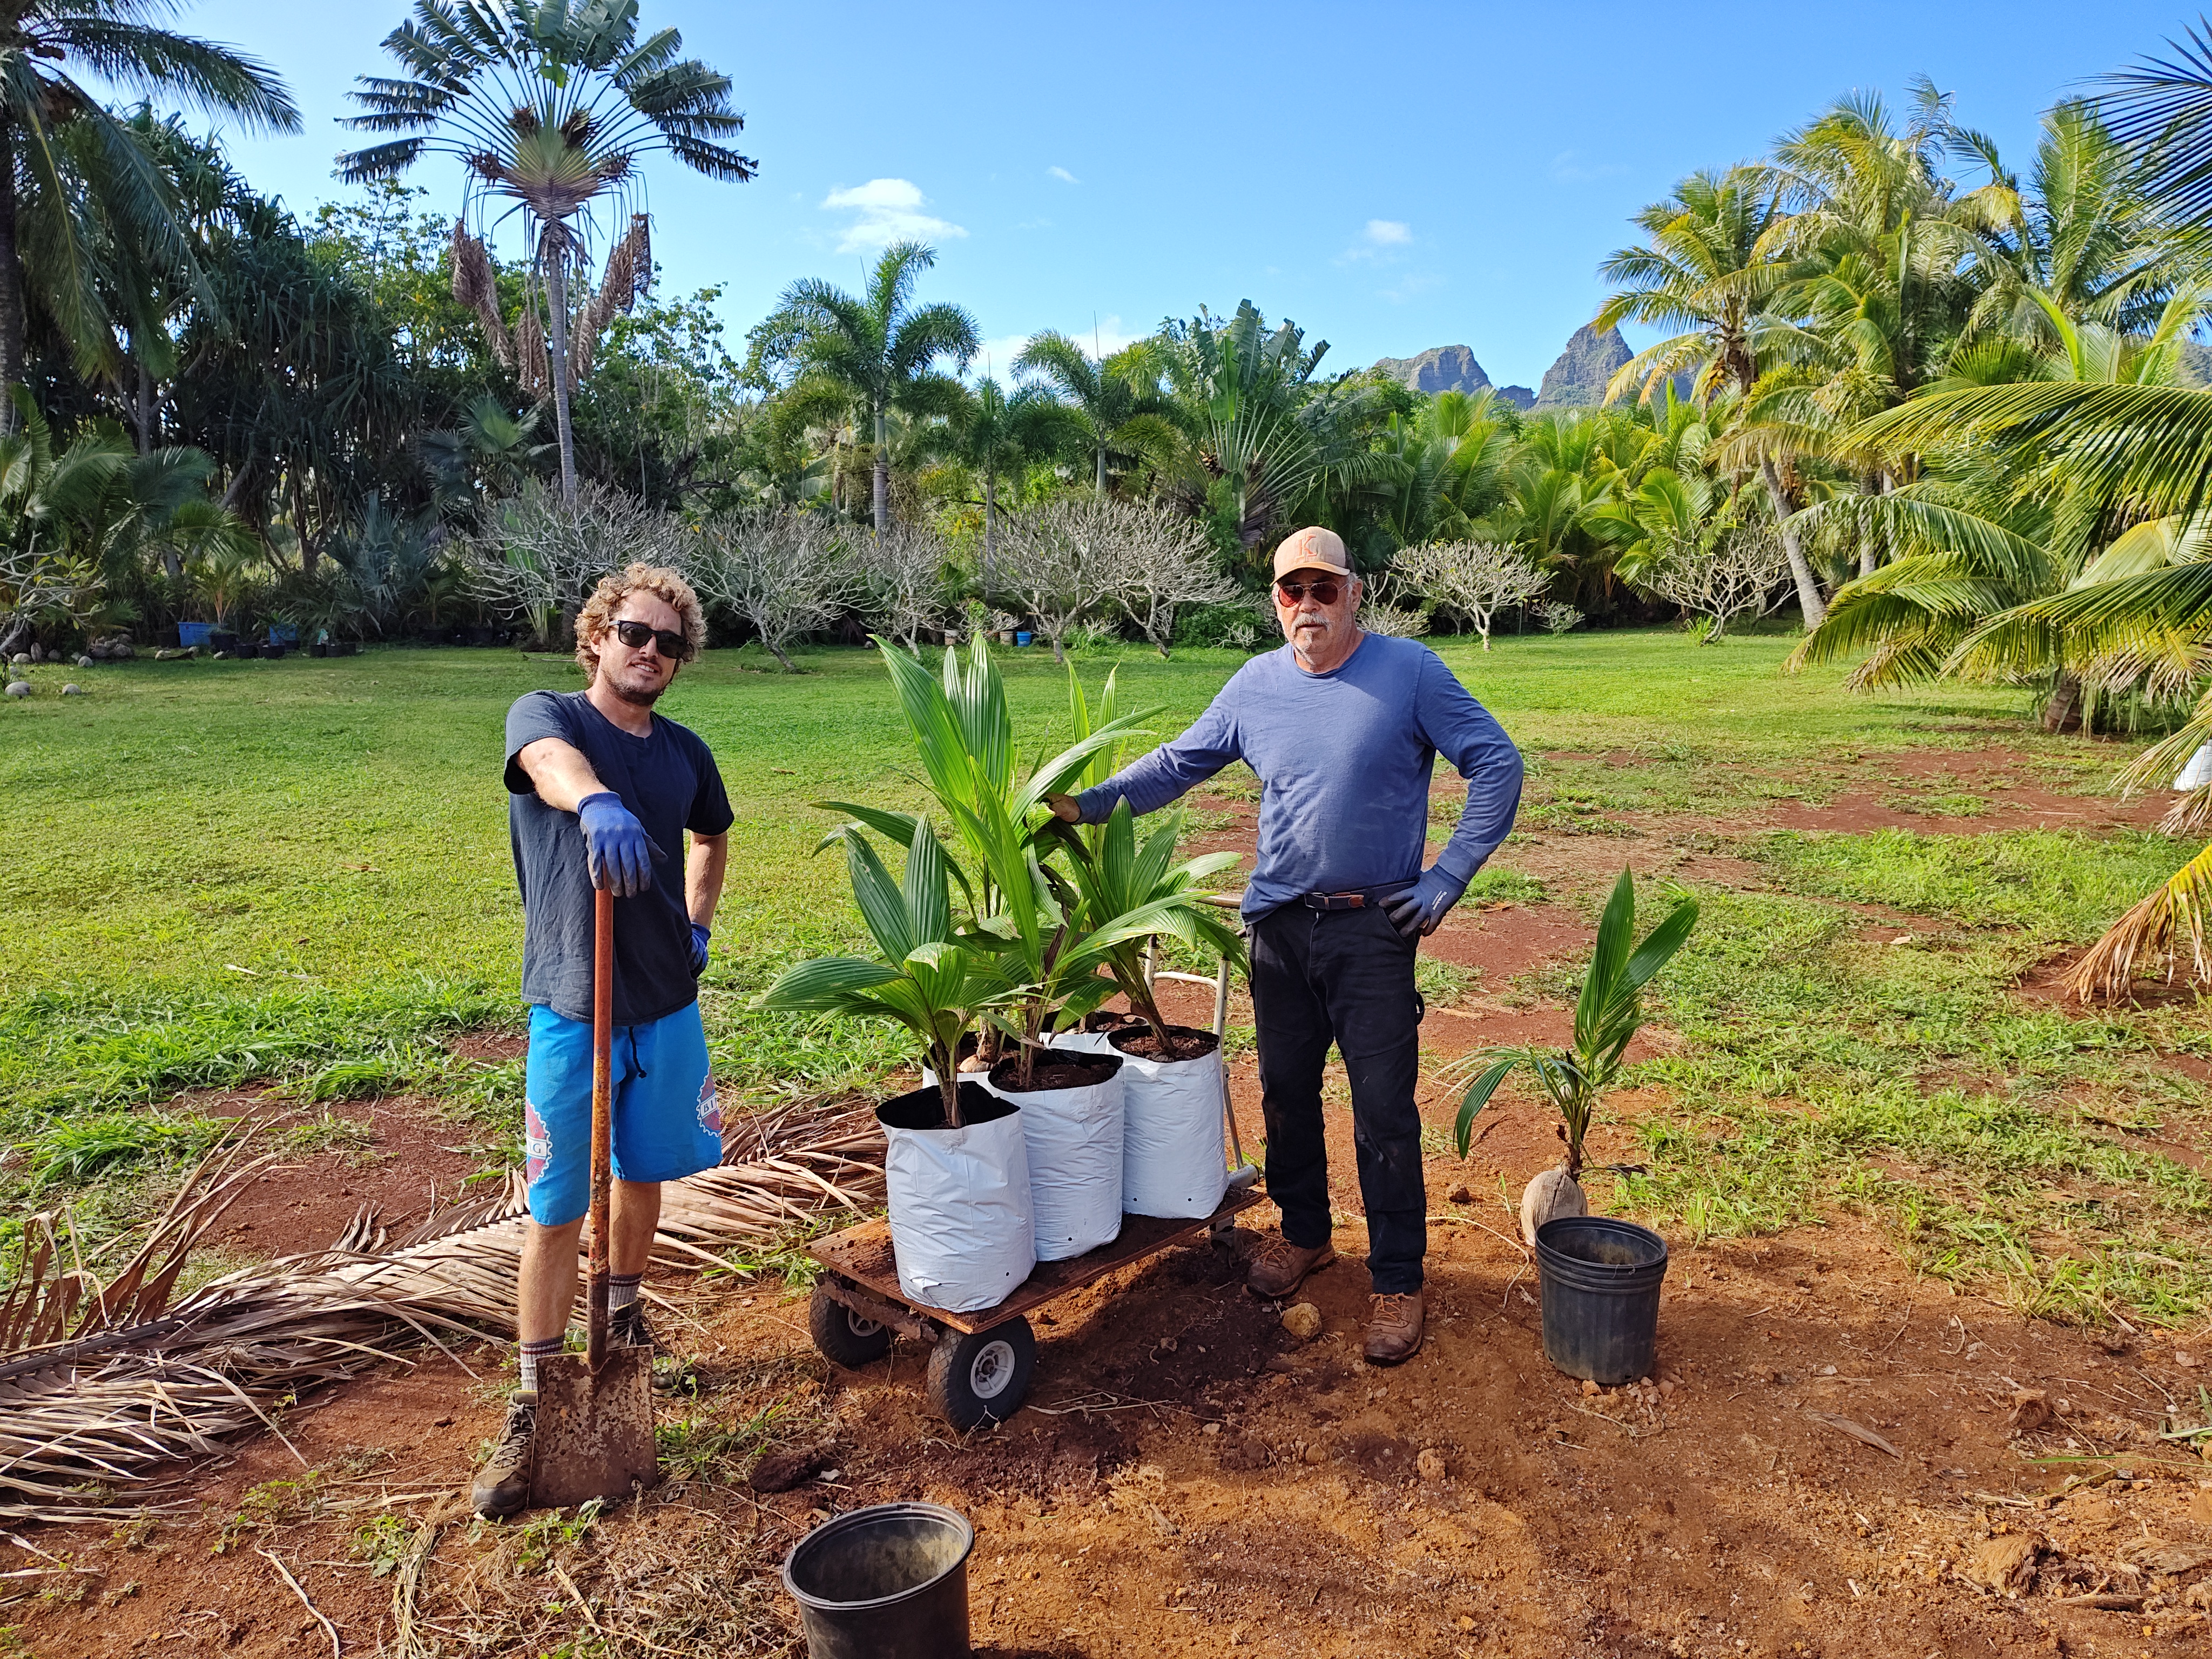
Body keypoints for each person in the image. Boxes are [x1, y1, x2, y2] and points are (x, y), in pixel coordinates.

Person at [1049, 526, 1521, 1365]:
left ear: (1354, 594)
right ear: (1276, 602)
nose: (1308, 606)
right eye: (1291, 592)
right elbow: (1174, 766)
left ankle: (1399, 1278)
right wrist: (1080, 806)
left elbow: (1496, 762)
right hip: (1278, 927)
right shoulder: (1254, 685)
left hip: (1374, 927)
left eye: (1324, 590)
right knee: (1286, 1093)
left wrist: (1446, 877)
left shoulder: (1408, 673)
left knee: (1382, 1110)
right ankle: (1305, 1235)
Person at [472, 563, 733, 1520]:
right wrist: (594, 804)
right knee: (553, 1206)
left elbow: (712, 837)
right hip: (572, 1009)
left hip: (665, 1001)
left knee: (641, 1169)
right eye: (635, 633)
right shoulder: (549, 716)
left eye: (669, 643)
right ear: (597, 637)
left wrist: (699, 922)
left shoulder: (686, 752)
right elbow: (547, 766)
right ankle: (534, 1397)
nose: (651, 652)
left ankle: (624, 1304)